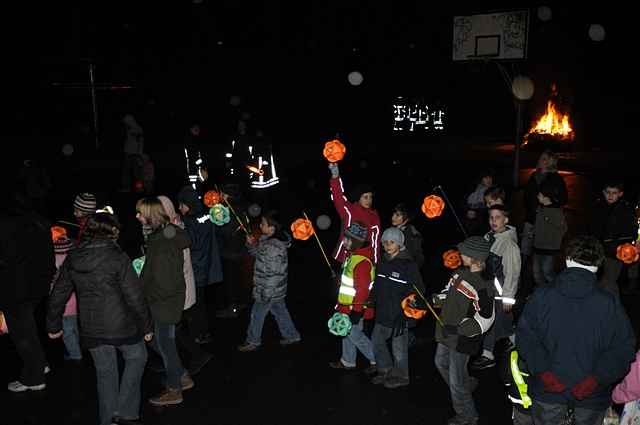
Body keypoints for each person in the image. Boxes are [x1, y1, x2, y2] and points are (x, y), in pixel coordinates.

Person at [516, 235, 636, 425]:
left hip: (548, 394)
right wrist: (596, 379)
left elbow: (526, 338)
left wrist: (545, 372)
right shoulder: (609, 303)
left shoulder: (542, 296)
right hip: (591, 399)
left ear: (566, 259)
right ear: (599, 265)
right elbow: (624, 348)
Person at [47, 212, 152, 425]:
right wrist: (146, 326)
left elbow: (59, 292)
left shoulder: (73, 257)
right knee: (137, 356)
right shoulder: (118, 257)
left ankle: (108, 420)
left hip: (91, 327)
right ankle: (126, 412)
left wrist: (53, 324)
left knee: (105, 374)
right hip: (122, 325)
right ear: (111, 232)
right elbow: (135, 296)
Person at [135, 197, 193, 406]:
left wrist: (143, 295)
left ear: (150, 215)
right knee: (161, 343)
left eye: (140, 213)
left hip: (163, 302)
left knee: (164, 344)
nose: (137, 217)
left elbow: (162, 279)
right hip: (167, 300)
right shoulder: (165, 235)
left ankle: (174, 389)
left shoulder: (162, 242)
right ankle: (182, 376)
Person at [433, 235, 495, 425]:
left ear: (474, 257)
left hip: (462, 338)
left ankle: (468, 414)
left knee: (455, 379)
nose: (460, 254)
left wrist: (460, 329)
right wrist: (433, 300)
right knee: (440, 362)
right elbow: (446, 294)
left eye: (464, 252)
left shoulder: (482, 286)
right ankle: (466, 383)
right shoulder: (458, 274)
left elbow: (486, 318)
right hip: (447, 331)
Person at [1, 187, 55, 392]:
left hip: (16, 289)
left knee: (22, 333)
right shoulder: (39, 221)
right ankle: (40, 364)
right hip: (36, 286)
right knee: (28, 328)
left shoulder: (7, 225)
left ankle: (34, 377)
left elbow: (8, 259)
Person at [158, 195, 213, 376]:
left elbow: (188, 248)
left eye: (181, 204)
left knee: (177, 324)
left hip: (188, 276)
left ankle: (189, 358)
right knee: (182, 320)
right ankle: (177, 357)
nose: (180, 208)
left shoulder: (178, 228)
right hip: (197, 271)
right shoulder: (194, 219)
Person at [237, 210, 301, 352]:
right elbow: (257, 254)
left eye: (263, 223)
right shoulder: (267, 241)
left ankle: (252, 340)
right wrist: (251, 244)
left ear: (272, 228)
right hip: (275, 290)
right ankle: (292, 335)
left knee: (256, 314)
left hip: (268, 289)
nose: (260, 226)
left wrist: (266, 293)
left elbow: (273, 274)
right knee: (280, 311)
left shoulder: (273, 247)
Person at [370, 227, 425, 389]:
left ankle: (402, 375)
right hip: (382, 312)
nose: (387, 245)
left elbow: (418, 291)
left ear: (400, 244)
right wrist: (372, 298)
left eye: (391, 242)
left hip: (399, 316)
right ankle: (385, 369)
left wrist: (406, 313)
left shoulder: (408, 265)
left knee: (399, 349)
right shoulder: (381, 262)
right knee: (376, 341)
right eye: (385, 242)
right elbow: (377, 285)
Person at [471, 205, 521, 370]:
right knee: (503, 321)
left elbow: (512, 272)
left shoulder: (509, 245)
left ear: (506, 220)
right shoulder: (489, 237)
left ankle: (488, 354)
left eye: (498, 217)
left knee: (491, 320)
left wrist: (508, 296)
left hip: (500, 291)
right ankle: (515, 339)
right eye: (491, 217)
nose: (493, 221)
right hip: (489, 288)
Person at [177, 186, 223, 345]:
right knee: (201, 303)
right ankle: (203, 332)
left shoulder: (189, 221)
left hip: (195, 267)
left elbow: (192, 242)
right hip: (206, 264)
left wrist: (179, 229)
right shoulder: (205, 216)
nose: (179, 208)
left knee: (195, 305)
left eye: (181, 205)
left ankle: (200, 333)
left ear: (188, 204)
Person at [328, 222, 377, 372]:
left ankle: (377, 359)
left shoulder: (362, 262)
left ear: (356, 241)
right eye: (345, 238)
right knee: (346, 333)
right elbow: (349, 279)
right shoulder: (352, 256)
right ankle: (348, 360)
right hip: (346, 305)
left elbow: (362, 290)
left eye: (348, 240)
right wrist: (338, 277)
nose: (344, 242)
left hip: (355, 308)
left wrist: (356, 311)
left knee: (357, 337)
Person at [521, 150, 567, 280]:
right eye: (541, 158)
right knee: (526, 250)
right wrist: (530, 208)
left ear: (551, 162)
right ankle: (523, 277)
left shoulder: (556, 179)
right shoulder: (534, 176)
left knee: (545, 263)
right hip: (531, 218)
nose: (541, 160)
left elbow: (563, 198)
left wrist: (549, 203)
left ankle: (550, 289)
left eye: (545, 159)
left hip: (545, 221)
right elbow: (527, 196)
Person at [589, 181, 638, 296]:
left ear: (620, 194)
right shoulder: (598, 206)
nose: (610, 196)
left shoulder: (625, 209)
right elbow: (593, 226)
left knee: (609, 281)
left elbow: (631, 230)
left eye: (614, 193)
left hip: (615, 251)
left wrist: (623, 245)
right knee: (599, 275)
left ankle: (613, 305)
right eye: (608, 192)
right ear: (603, 192)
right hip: (599, 248)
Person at [328, 162, 381, 265]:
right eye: (365, 197)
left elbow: (376, 242)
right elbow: (338, 196)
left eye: (370, 197)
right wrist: (335, 176)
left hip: (364, 258)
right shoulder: (349, 211)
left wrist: (375, 262)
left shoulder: (374, 217)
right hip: (345, 256)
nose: (369, 200)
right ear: (358, 197)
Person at [216, 183, 250, 318]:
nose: (220, 196)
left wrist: (217, 226)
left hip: (230, 250)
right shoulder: (241, 207)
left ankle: (233, 308)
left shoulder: (228, 209)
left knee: (230, 280)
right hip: (239, 249)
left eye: (222, 193)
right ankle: (241, 302)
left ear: (228, 195)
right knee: (237, 277)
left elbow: (226, 231)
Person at [51, 234, 82, 361]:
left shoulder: (53, 260)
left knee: (67, 330)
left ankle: (75, 354)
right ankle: (77, 348)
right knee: (74, 327)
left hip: (61, 299)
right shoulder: (73, 259)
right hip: (75, 298)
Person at [390, 203, 424, 269]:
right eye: (393, 214)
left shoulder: (412, 234)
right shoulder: (392, 231)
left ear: (407, 218)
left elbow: (417, 258)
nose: (393, 217)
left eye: (397, 215)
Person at [463, 170, 494, 236]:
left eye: (490, 177)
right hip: (480, 229)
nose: (489, 180)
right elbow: (470, 215)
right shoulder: (473, 194)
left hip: (492, 225)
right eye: (485, 178)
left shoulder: (496, 191)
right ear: (481, 180)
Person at [121, 114, 145, 192]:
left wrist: (139, 153)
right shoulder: (127, 129)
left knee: (137, 173)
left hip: (135, 154)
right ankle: (126, 188)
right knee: (126, 172)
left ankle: (139, 188)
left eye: (126, 122)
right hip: (127, 153)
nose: (125, 124)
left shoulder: (138, 129)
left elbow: (140, 142)